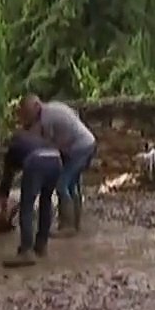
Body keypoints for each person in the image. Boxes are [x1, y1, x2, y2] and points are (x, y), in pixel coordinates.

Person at [18, 95, 98, 233]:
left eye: (28, 113)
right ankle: (75, 224)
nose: (28, 116)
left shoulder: (46, 118)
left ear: (36, 106)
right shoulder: (53, 107)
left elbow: (48, 146)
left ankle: (67, 226)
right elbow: (74, 115)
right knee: (72, 185)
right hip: (87, 142)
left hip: (79, 147)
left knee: (62, 184)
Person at [0, 128, 63, 267]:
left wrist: (3, 208)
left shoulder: (13, 149)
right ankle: (41, 245)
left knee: (26, 206)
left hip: (36, 160)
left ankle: (26, 251)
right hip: (56, 159)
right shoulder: (35, 140)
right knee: (46, 200)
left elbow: (7, 179)